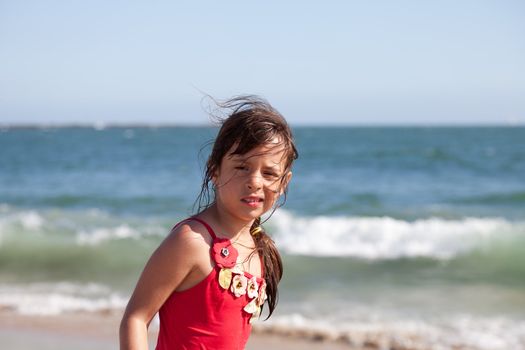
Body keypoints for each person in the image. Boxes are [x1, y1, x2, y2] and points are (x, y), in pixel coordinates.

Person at [119, 95, 298, 350]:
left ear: (284, 183)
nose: (255, 182)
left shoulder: (259, 248)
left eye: (269, 173)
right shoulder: (191, 241)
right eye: (242, 167)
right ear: (214, 170)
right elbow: (136, 317)